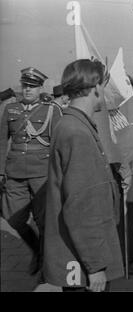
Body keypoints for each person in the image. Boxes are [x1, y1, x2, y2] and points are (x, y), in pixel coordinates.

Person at [43, 59, 124, 292]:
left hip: (77, 254)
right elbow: (82, 205)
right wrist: (96, 266)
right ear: (96, 87)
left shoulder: (71, 124)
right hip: (83, 260)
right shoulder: (77, 132)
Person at [0, 67, 62, 275]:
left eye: (32, 86)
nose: (27, 90)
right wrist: (1, 172)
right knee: (13, 219)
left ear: (40, 88)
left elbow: (57, 144)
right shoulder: (10, 110)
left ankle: (46, 264)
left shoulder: (50, 110)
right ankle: (36, 248)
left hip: (42, 174)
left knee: (44, 221)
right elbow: (1, 142)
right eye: (25, 85)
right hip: (15, 173)